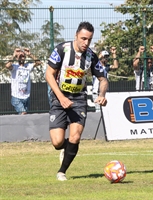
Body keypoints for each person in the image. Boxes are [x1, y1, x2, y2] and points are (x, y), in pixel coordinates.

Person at [45, 21, 108, 181]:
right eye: (83, 38)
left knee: (75, 137)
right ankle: (65, 148)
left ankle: (61, 172)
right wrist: (61, 98)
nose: (86, 43)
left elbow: (103, 79)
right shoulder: (62, 49)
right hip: (59, 98)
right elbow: (49, 74)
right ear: (76, 36)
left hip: (79, 98)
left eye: (89, 39)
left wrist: (102, 94)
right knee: (57, 142)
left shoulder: (91, 56)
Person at [5, 48, 41, 114]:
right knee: (23, 113)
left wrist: (30, 54)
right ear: (17, 58)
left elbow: (38, 62)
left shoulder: (28, 66)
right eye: (20, 56)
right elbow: (7, 66)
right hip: (16, 97)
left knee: (23, 117)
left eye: (23, 56)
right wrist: (14, 55)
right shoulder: (14, 67)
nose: (22, 57)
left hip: (26, 97)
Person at [92, 47, 118, 112]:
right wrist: (99, 57)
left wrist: (114, 54)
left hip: (104, 91)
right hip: (96, 91)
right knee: (98, 110)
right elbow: (95, 61)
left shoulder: (107, 66)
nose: (106, 58)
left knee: (105, 110)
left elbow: (116, 66)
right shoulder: (95, 66)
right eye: (104, 56)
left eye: (107, 57)